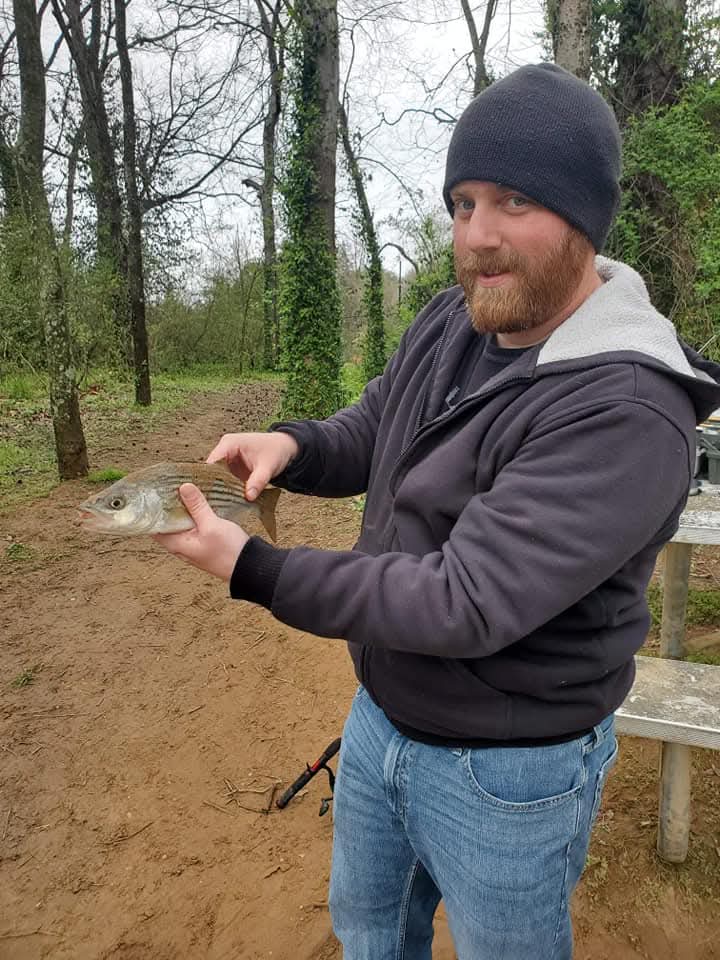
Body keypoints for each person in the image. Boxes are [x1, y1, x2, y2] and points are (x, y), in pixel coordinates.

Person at [155, 64, 720, 959]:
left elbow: (464, 599)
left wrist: (252, 567)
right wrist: (294, 447)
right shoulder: (455, 319)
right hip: (382, 714)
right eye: (462, 203)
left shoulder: (625, 411)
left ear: (584, 217)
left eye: (514, 200)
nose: (478, 235)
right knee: (369, 932)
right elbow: (381, 420)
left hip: (509, 771)